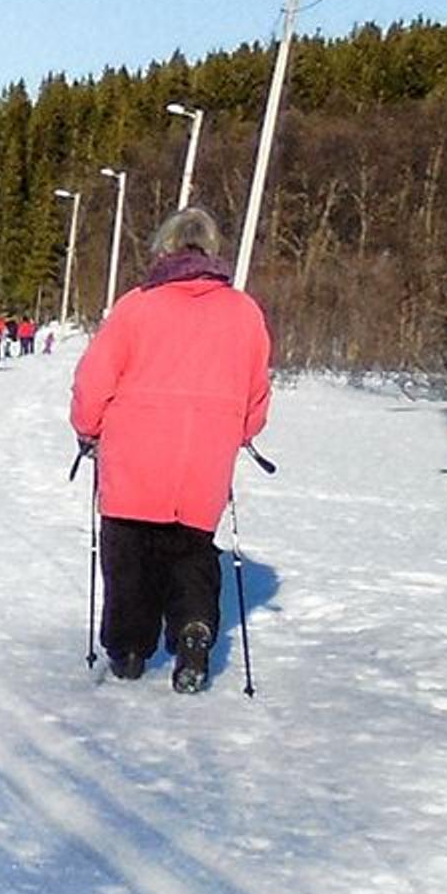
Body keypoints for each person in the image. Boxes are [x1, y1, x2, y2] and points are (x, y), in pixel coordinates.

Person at [70, 204, 271, 693]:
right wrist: (242, 430)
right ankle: (193, 626)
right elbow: (257, 389)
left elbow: (95, 377)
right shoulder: (244, 311)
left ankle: (129, 648)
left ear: (165, 248)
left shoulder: (137, 305)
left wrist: (87, 427)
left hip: (134, 453)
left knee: (128, 553)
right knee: (192, 550)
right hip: (204, 457)